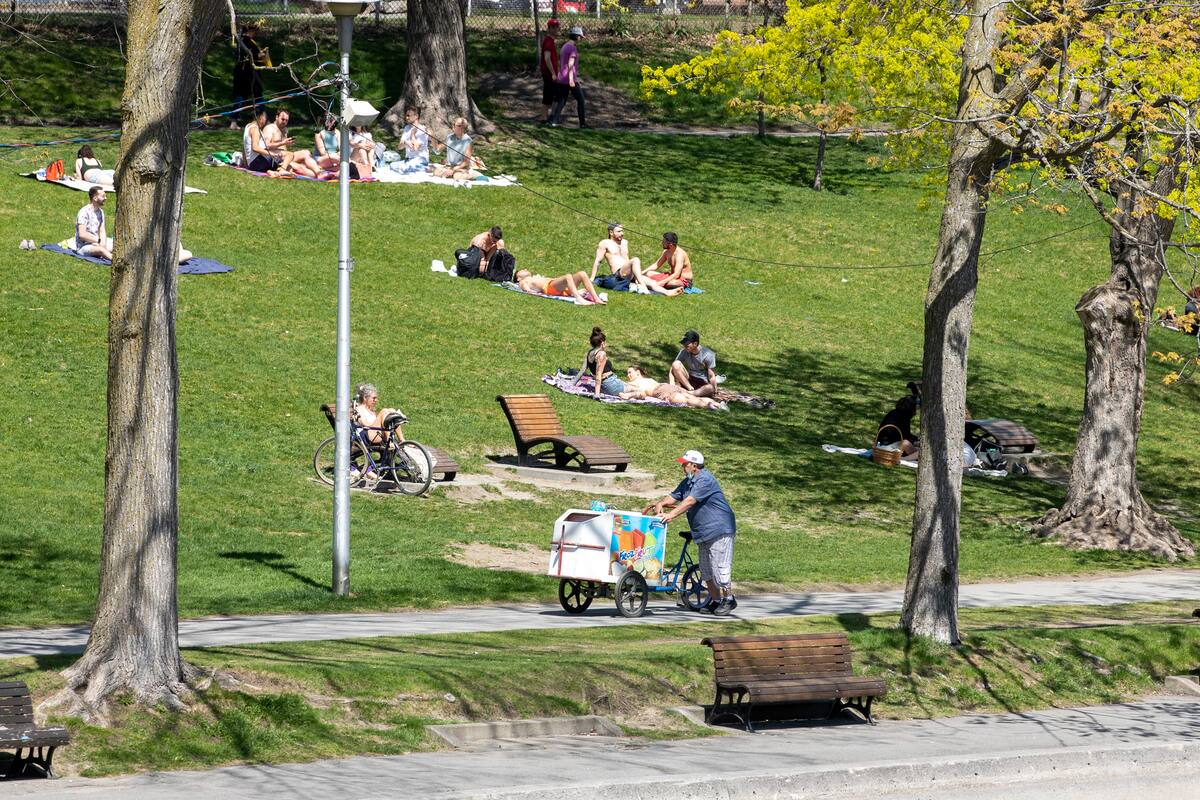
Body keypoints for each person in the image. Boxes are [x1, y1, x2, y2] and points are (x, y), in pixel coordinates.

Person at [645, 450, 737, 615]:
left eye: (684, 463)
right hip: (703, 532)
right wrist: (661, 504)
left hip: (719, 529)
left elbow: (689, 501)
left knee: (719, 568)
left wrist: (670, 515)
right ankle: (715, 601)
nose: (682, 466)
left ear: (694, 466)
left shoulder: (705, 480)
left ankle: (729, 599)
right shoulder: (688, 482)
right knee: (706, 570)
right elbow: (674, 497)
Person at [592, 222, 680, 296]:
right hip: (619, 274)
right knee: (635, 260)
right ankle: (643, 287)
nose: (622, 233)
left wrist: (636, 276)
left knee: (652, 283)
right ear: (611, 232)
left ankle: (667, 292)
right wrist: (592, 278)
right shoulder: (605, 243)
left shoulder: (625, 243)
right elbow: (598, 261)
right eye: (619, 231)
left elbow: (626, 259)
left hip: (629, 273)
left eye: (622, 231)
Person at [619, 367, 727, 410]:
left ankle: (710, 406)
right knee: (690, 396)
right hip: (668, 386)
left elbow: (640, 393)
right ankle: (718, 404)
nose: (628, 375)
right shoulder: (648, 379)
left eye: (630, 372)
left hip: (661, 390)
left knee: (688, 400)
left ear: (638, 372)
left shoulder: (637, 382)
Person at [263, 109, 327, 179]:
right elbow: (266, 145)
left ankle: (319, 172)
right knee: (310, 173)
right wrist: (282, 143)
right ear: (276, 117)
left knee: (306, 152)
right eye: (282, 119)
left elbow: (284, 148)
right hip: (275, 159)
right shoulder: (270, 128)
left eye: (286, 120)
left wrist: (286, 145)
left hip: (286, 157)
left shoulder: (284, 130)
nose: (284, 122)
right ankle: (317, 173)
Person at [230, 21, 268, 130]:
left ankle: (263, 119)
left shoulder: (248, 41)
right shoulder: (244, 41)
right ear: (249, 31)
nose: (255, 34)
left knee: (254, 96)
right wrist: (259, 55)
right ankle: (234, 121)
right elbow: (247, 55)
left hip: (249, 74)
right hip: (246, 75)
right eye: (254, 32)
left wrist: (259, 54)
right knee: (248, 97)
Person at [549, 26, 587, 129]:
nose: (581, 38)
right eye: (580, 36)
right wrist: (571, 80)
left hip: (561, 77)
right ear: (577, 36)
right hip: (569, 79)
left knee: (562, 100)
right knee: (581, 100)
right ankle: (583, 124)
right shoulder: (572, 48)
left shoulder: (565, 46)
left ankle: (554, 121)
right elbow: (570, 64)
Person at [573, 327, 624, 398]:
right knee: (639, 389)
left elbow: (582, 370)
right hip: (611, 383)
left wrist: (573, 383)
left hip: (604, 386)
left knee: (634, 386)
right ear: (602, 342)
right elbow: (598, 374)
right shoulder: (601, 354)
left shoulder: (590, 353)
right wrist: (596, 395)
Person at [669, 330, 719, 397]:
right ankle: (690, 389)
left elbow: (711, 376)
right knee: (676, 364)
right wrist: (671, 385)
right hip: (690, 379)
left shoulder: (708, 354)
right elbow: (673, 368)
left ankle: (689, 393)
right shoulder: (684, 351)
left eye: (687, 344)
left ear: (695, 344)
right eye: (684, 344)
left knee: (710, 388)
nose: (684, 346)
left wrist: (715, 390)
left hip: (702, 382)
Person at [515, 268, 605, 304]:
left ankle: (596, 298)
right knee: (568, 276)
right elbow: (525, 288)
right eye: (522, 270)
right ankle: (579, 298)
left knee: (582, 273)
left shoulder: (533, 277)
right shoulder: (523, 281)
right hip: (549, 288)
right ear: (518, 278)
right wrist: (529, 291)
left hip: (559, 287)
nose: (525, 269)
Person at [74, 186, 112, 260]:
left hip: (97, 243)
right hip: (83, 247)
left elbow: (102, 231)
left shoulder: (100, 212)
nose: (106, 198)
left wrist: (102, 244)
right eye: (103, 196)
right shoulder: (84, 212)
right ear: (95, 198)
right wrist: (98, 241)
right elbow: (82, 235)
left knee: (116, 245)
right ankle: (117, 262)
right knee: (101, 250)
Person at [391, 107, 430, 174]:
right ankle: (413, 167)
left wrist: (412, 134)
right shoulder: (406, 128)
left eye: (408, 115)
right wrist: (405, 142)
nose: (406, 118)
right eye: (406, 115)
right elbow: (400, 147)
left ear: (416, 116)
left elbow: (415, 148)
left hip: (420, 159)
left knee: (403, 169)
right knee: (392, 166)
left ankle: (425, 168)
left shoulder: (422, 129)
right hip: (408, 159)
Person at [243, 107, 280, 173]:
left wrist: (246, 164)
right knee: (283, 158)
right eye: (265, 117)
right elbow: (255, 148)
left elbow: (244, 148)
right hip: (258, 164)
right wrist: (271, 154)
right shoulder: (255, 129)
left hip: (253, 164)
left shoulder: (248, 126)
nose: (265, 120)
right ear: (261, 117)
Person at [539, 19, 561, 124]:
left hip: (550, 73)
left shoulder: (551, 41)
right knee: (549, 95)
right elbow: (547, 58)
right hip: (548, 74)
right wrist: (553, 73)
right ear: (550, 28)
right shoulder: (549, 41)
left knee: (549, 95)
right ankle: (544, 118)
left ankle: (545, 117)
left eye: (557, 27)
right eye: (555, 27)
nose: (557, 29)